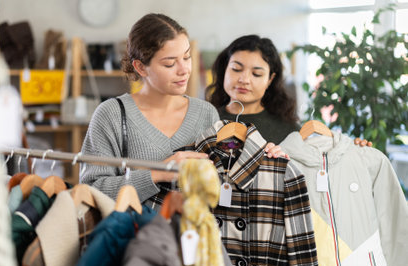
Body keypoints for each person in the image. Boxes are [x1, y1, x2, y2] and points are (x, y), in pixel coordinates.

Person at [80, 14, 286, 208]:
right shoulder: (111, 115)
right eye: (170, 63)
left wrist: (262, 156)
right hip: (132, 240)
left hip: (196, 240)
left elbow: (225, 184)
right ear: (141, 67)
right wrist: (157, 173)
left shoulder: (206, 114)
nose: (184, 69)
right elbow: (90, 191)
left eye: (187, 58)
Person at [207, 34, 373, 146]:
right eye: (236, 69)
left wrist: (352, 149)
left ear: (270, 79)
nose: (244, 79)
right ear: (224, 70)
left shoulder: (289, 131)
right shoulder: (205, 120)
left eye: (256, 74)